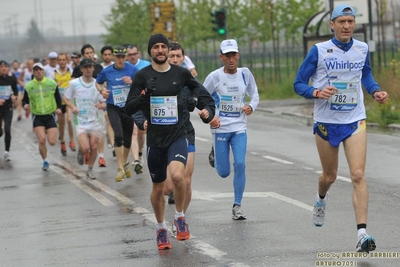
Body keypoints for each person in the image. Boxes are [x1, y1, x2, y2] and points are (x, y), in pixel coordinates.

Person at [293, 4, 389, 253]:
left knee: (357, 174)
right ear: (332, 25)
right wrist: (316, 92)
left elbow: (365, 75)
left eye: (350, 21)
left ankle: (362, 234)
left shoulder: (362, 48)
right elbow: (298, 83)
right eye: (342, 21)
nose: (346, 26)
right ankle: (321, 198)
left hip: (355, 119)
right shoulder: (319, 51)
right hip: (326, 122)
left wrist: (375, 90)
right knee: (330, 176)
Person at [126, 34, 205, 250]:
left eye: (163, 47)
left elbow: (197, 88)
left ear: (168, 50)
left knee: (179, 176)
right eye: (156, 47)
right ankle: (161, 228)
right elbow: (130, 107)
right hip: (155, 139)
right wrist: (144, 100)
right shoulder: (142, 76)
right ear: (150, 51)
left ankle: (180, 217)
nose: (160, 50)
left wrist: (196, 102)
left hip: (178, 134)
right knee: (159, 189)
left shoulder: (181, 73)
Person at [203, 39, 260, 220]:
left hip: (239, 127)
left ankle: (237, 205)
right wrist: (211, 116)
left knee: (240, 164)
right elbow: (201, 97)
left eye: (233, 55)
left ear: (238, 55)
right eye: (227, 56)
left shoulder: (245, 74)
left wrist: (251, 106)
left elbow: (255, 94)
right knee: (224, 172)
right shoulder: (215, 77)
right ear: (221, 57)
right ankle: (215, 153)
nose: (231, 59)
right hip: (220, 128)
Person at [163, 42, 215, 212]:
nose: (175, 59)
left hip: (185, 133)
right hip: (162, 135)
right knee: (167, 187)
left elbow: (206, 100)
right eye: (172, 56)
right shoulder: (154, 79)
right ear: (166, 57)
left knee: (186, 178)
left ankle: (181, 218)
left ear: (184, 58)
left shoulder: (189, 81)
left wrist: (207, 113)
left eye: (178, 56)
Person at [96, 46, 138, 182]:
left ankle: (125, 162)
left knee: (127, 139)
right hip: (113, 107)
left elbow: (140, 85)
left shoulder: (132, 69)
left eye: (122, 57)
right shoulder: (107, 71)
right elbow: (98, 83)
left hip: (128, 107)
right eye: (118, 57)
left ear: (125, 57)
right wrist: (102, 91)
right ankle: (120, 168)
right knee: (118, 136)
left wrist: (132, 82)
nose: (120, 59)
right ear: (114, 57)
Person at [63, 58, 106, 179]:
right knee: (85, 147)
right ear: (81, 69)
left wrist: (102, 105)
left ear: (93, 68)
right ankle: (81, 152)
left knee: (93, 146)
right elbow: (66, 98)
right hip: (80, 120)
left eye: (90, 67)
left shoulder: (98, 84)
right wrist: (72, 107)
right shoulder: (74, 83)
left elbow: (105, 102)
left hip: (94, 120)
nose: (88, 69)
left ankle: (90, 169)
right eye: (85, 67)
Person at [23, 63, 62, 170]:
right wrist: (25, 105)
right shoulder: (29, 86)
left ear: (43, 71)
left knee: (52, 142)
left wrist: (59, 108)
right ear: (33, 72)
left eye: (40, 70)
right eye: (36, 70)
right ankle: (45, 160)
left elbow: (58, 98)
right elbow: (24, 99)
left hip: (50, 115)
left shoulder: (51, 83)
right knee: (41, 140)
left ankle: (47, 131)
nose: (38, 72)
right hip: (37, 116)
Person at [72, 44, 105, 167]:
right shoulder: (77, 70)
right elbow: (73, 88)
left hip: (97, 106)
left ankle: (100, 155)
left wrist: (103, 100)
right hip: (82, 109)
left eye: (91, 52)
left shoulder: (99, 68)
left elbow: (104, 84)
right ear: (83, 55)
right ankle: (82, 151)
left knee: (98, 135)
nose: (90, 54)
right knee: (85, 141)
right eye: (87, 53)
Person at [123, 43, 151, 174]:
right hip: (129, 103)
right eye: (130, 55)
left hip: (143, 103)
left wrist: (133, 82)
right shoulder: (123, 67)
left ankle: (139, 152)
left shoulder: (145, 65)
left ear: (138, 54)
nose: (132, 56)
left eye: (134, 54)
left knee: (141, 132)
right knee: (133, 131)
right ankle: (136, 160)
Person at [48, 53, 76, 155]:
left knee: (69, 120)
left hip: (68, 100)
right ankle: (63, 142)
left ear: (66, 61)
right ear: (57, 61)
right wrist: (55, 85)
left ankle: (72, 141)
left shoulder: (70, 71)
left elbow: (75, 85)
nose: (62, 62)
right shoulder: (53, 73)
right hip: (59, 103)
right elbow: (49, 88)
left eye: (63, 60)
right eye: (60, 60)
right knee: (61, 124)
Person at [0, 60, 18, 161]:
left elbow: (15, 91)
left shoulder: (11, 79)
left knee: (8, 129)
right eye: (1, 66)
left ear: (8, 68)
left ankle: (7, 151)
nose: (3, 68)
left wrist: (13, 96)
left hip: (8, 107)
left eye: (5, 67)